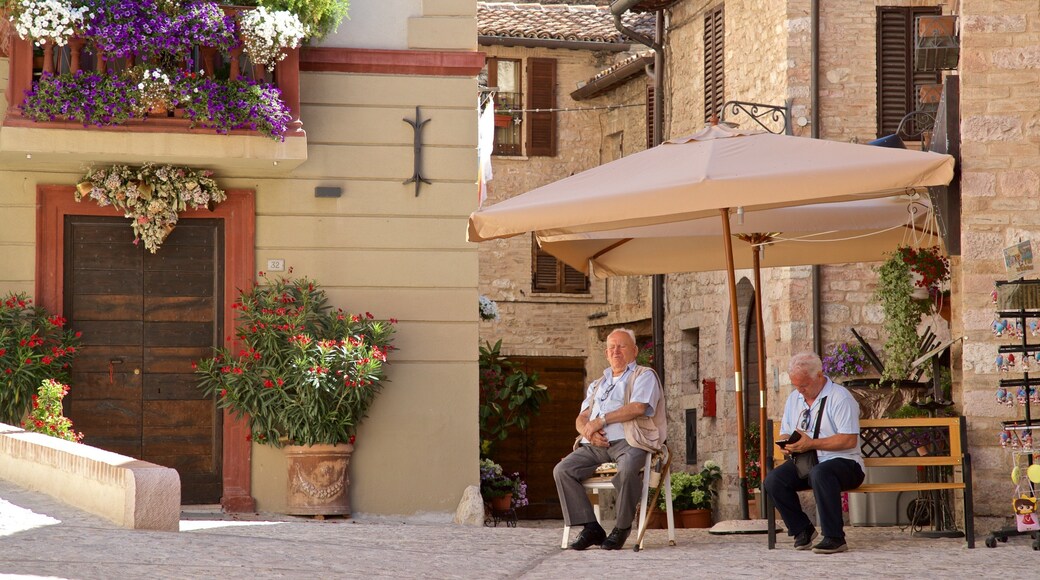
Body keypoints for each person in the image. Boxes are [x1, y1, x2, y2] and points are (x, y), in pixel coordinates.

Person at [553, 328, 665, 551]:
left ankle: (622, 528)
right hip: (594, 444)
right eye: (612, 347)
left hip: (630, 440)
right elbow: (582, 417)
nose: (616, 351)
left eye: (622, 346)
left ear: (634, 351)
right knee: (562, 470)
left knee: (628, 468)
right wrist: (588, 431)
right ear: (606, 353)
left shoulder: (644, 375)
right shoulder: (598, 383)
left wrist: (601, 421)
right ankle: (591, 527)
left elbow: (638, 407)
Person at [764, 351, 865, 554]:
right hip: (806, 462)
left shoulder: (840, 397)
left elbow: (848, 439)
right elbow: (786, 430)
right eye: (796, 386)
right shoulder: (795, 399)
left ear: (819, 376)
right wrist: (787, 443)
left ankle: (835, 537)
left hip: (845, 463)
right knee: (773, 480)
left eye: (804, 385)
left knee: (821, 473)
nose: (800, 391)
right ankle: (802, 530)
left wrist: (811, 444)